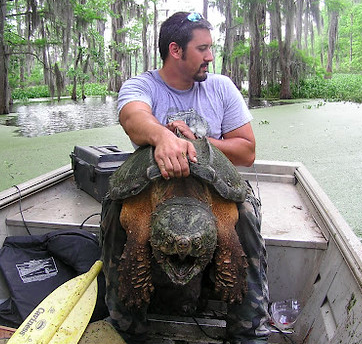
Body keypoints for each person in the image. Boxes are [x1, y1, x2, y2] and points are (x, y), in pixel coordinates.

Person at [101, 11, 271, 344]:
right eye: (203, 49)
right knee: (113, 209)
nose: (211, 56)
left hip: (214, 187)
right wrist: (163, 137)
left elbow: (246, 151)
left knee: (246, 217)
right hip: (154, 187)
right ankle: (126, 323)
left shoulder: (221, 88)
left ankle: (249, 329)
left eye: (211, 48)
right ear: (175, 50)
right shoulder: (142, 85)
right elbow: (133, 116)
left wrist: (196, 140)